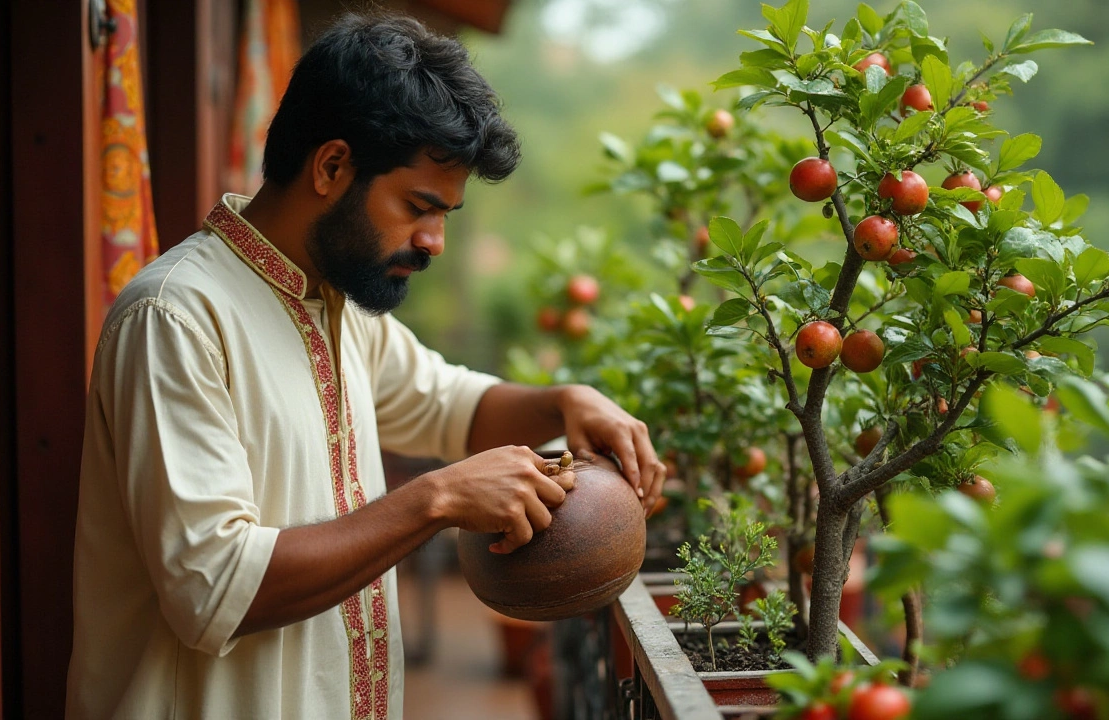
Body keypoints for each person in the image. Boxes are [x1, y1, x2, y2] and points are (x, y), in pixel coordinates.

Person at [64, 11, 664, 720]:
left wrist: (566, 401)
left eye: (447, 214)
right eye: (419, 205)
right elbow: (212, 586)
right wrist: (435, 500)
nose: (435, 240)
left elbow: (450, 405)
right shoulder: (175, 319)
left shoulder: (335, 305)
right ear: (332, 166)